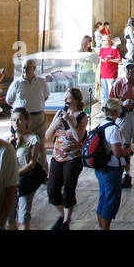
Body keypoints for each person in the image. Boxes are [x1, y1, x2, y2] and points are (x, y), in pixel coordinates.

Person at [44, 87, 87, 230]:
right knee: (52, 190)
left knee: (68, 189)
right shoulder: (59, 114)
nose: (65, 102)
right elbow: (48, 135)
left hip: (73, 158)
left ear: (75, 100)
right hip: (57, 157)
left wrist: (69, 122)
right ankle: (62, 215)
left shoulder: (81, 116)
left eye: (68, 99)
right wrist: (56, 123)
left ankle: (66, 221)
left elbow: (78, 138)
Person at [89, 98, 130, 230]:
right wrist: (128, 150)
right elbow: (117, 152)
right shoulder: (113, 129)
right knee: (110, 201)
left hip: (101, 168)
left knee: (103, 197)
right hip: (111, 168)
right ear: (116, 111)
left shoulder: (102, 124)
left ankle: (102, 227)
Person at [6, 107, 45, 230]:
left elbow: (32, 163)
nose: (16, 123)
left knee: (23, 214)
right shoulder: (9, 139)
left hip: (25, 179)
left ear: (27, 121)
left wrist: (16, 173)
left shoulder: (33, 139)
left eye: (20, 120)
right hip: (10, 180)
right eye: (14, 120)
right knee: (9, 214)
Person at [5, 58, 51, 137]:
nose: (25, 70)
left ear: (34, 68)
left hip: (38, 117)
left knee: (39, 140)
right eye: (24, 68)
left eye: (28, 68)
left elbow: (45, 96)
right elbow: (9, 100)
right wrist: (20, 109)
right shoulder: (16, 83)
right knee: (21, 140)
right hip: (22, 118)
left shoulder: (41, 82)